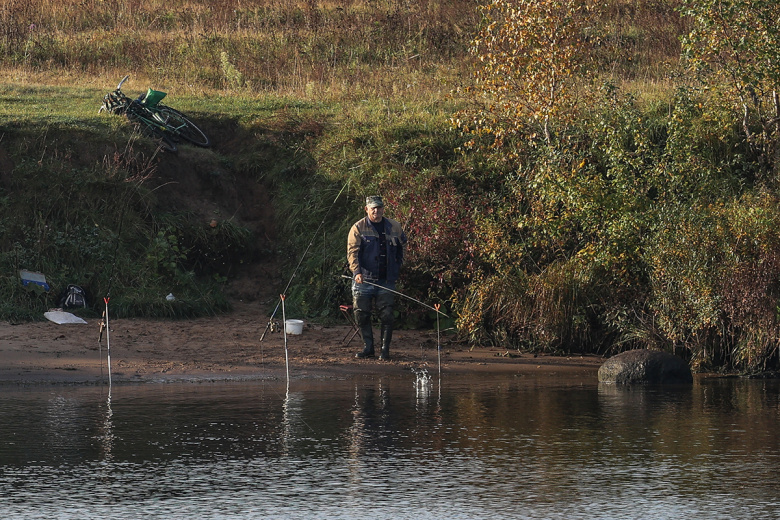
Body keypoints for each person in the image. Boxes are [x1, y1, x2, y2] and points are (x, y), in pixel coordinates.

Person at [347, 195, 407, 360]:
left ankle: (384, 350)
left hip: (386, 279)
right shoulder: (358, 228)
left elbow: (403, 245)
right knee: (362, 313)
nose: (376, 210)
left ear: (383, 209)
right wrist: (356, 272)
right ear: (366, 209)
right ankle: (368, 347)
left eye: (379, 207)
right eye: (373, 208)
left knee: (387, 314)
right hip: (364, 279)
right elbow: (352, 253)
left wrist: (398, 264)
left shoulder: (394, 226)